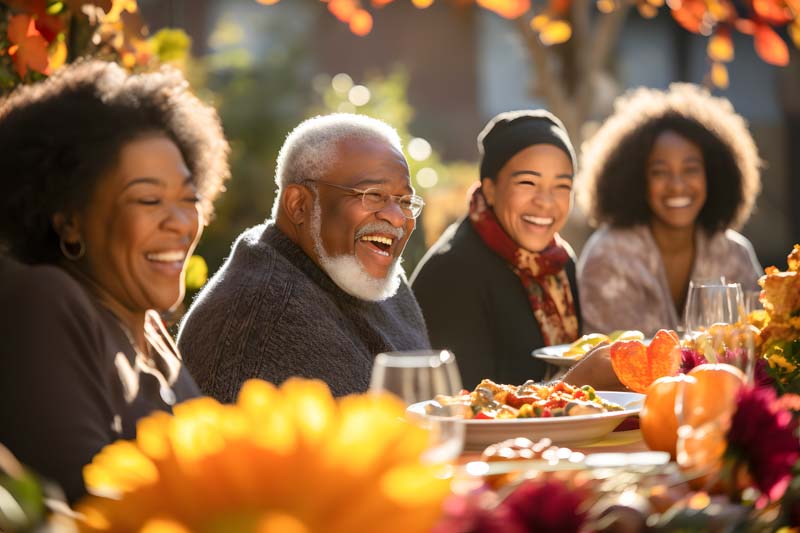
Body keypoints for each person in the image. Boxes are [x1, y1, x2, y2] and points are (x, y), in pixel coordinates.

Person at [0, 60, 230, 503]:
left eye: (190, 198)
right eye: (149, 199)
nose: (181, 223)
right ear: (69, 222)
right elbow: (81, 503)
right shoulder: (43, 303)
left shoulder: (150, 328)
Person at [177, 113, 430, 401]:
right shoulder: (262, 321)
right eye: (374, 195)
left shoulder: (378, 279)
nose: (398, 219)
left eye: (405, 202)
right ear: (298, 205)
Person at [410, 110, 581, 389]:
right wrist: (583, 378)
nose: (546, 202)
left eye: (562, 186)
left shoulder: (559, 262)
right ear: (489, 189)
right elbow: (466, 405)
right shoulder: (453, 271)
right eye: (528, 183)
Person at [576, 83, 763, 337]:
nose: (677, 186)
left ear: (713, 174)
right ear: (636, 179)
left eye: (690, 169)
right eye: (659, 172)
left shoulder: (734, 254)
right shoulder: (609, 257)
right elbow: (611, 363)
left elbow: (758, 343)